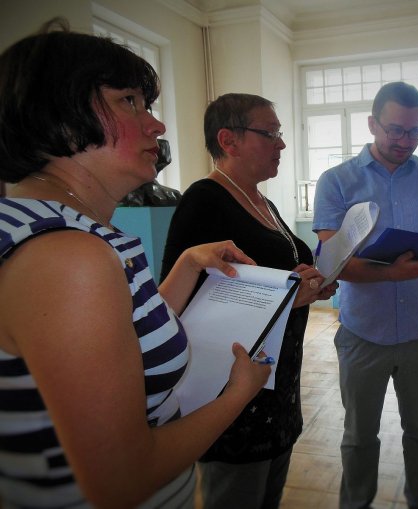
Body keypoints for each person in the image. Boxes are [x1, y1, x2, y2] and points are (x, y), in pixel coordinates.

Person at [0, 20, 272, 509]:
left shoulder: (52, 224)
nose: (157, 125)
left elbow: (119, 342)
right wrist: (237, 393)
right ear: (60, 115)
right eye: (129, 102)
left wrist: (187, 265)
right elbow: (121, 480)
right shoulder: (67, 255)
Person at [160, 93, 338, 509]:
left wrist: (310, 285)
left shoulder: (263, 201)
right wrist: (289, 297)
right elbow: (186, 305)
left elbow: (277, 273)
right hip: (233, 389)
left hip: (276, 383)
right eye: (270, 133)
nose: (282, 143)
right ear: (229, 140)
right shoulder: (204, 200)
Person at [312, 81, 418, 509]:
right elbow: (330, 263)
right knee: (359, 437)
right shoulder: (337, 181)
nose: (405, 141)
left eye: (415, 131)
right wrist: (391, 273)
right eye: (395, 130)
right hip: (363, 334)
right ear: (372, 124)